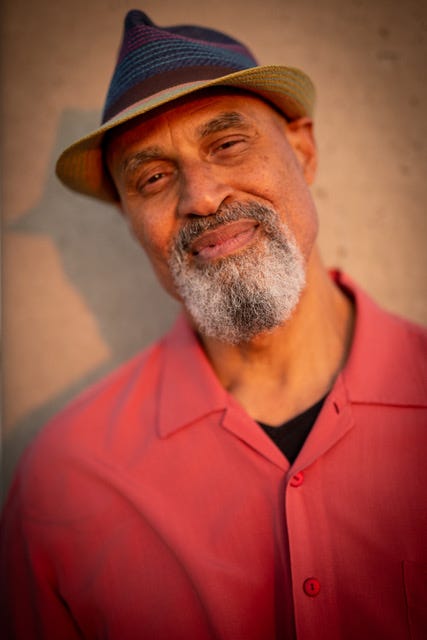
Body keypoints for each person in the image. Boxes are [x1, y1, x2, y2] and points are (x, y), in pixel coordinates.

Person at [1, 9, 426, 640]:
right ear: (130, 222)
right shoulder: (62, 481)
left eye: (227, 144)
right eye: (152, 177)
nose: (200, 196)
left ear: (303, 150)